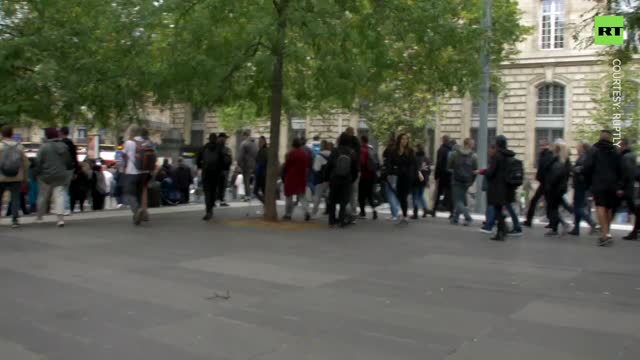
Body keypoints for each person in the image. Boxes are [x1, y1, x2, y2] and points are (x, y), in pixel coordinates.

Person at [583, 130, 622, 246]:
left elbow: (587, 167)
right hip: (612, 184)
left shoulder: (594, 150)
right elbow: (620, 168)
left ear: (600, 137)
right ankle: (607, 232)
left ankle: (604, 236)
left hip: (599, 182)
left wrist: (588, 180)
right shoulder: (615, 151)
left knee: (600, 207)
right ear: (610, 138)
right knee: (609, 208)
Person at [34, 128, 73, 227]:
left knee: (43, 196)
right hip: (60, 175)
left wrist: (36, 173)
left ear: (47, 136)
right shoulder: (64, 146)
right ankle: (60, 219)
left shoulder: (44, 147)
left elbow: (38, 162)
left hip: (45, 176)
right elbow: (69, 162)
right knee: (59, 196)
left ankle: (39, 217)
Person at [481, 135, 516, 241]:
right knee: (499, 209)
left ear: (497, 144)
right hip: (507, 186)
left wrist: (482, 171)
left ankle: (501, 232)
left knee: (497, 210)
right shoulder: (509, 155)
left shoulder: (497, 156)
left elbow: (491, 172)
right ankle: (503, 230)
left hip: (497, 187)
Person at [122, 124, 153, 225]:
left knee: (129, 193)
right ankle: (142, 211)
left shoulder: (129, 143)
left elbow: (123, 155)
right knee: (139, 193)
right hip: (144, 173)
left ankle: (137, 211)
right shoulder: (147, 143)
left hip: (132, 172)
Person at [325, 133, 359, 227]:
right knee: (343, 201)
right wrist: (352, 179)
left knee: (332, 200)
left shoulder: (335, 151)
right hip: (346, 179)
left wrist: (327, 177)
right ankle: (341, 220)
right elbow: (355, 168)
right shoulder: (352, 152)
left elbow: (329, 165)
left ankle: (331, 220)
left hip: (335, 179)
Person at [0, 125, 30, 228]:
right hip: (17, 176)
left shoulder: (0, 146)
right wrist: (25, 177)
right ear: (12, 134)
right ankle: (14, 220)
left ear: (2, 134)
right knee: (15, 198)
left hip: (1, 177)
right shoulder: (19, 146)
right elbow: (26, 163)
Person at [389, 133, 420, 225]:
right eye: (403, 139)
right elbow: (391, 162)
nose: (404, 141)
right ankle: (404, 214)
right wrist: (390, 173)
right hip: (398, 176)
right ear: (399, 140)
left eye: (406, 139)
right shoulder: (394, 151)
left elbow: (414, 164)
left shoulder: (410, 151)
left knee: (403, 196)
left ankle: (405, 216)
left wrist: (415, 174)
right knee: (399, 195)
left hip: (407, 176)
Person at [543, 139, 571, 236]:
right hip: (559, 187)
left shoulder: (557, 159)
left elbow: (552, 172)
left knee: (552, 208)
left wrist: (550, 184)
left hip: (554, 187)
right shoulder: (565, 159)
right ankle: (557, 227)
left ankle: (559, 226)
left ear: (557, 148)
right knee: (553, 207)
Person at [569, 141, 597, 236]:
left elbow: (582, 169)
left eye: (577, 147)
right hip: (580, 185)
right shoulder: (583, 157)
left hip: (580, 185)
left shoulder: (584, 157)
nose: (576, 148)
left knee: (578, 207)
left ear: (582, 148)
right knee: (578, 206)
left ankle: (591, 222)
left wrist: (573, 169)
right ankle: (576, 228)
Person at [448, 138, 478, 226]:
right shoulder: (474, 156)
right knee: (461, 200)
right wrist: (472, 181)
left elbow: (449, 166)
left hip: (456, 180)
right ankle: (455, 219)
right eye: (473, 144)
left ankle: (468, 218)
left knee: (457, 201)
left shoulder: (454, 154)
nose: (474, 145)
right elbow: (475, 170)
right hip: (467, 181)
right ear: (469, 144)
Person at [615, 139, 639, 240]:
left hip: (629, 188)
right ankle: (634, 232)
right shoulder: (633, 155)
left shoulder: (626, 157)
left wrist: (621, 187)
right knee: (636, 210)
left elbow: (627, 174)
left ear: (622, 145)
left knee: (636, 210)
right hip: (631, 187)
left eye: (619, 146)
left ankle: (604, 228)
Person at [282, 138, 311, 221]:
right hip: (301, 176)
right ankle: (306, 211)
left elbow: (287, 166)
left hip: (291, 177)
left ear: (293, 145)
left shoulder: (291, 154)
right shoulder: (304, 154)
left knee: (289, 197)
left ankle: (288, 214)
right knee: (302, 196)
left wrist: (284, 175)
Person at [197, 133, 223, 220]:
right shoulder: (219, 148)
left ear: (209, 139)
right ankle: (211, 207)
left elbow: (198, 160)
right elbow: (222, 161)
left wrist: (201, 167)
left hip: (206, 173)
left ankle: (208, 210)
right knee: (213, 190)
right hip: (215, 173)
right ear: (216, 139)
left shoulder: (204, 147)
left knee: (207, 192)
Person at [431, 135, 453, 218]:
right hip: (450, 175)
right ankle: (452, 212)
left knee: (438, 192)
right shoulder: (452, 149)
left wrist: (436, 175)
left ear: (443, 140)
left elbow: (439, 163)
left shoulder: (441, 150)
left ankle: (434, 210)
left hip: (442, 174)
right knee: (449, 193)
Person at [358, 135, 379, 220]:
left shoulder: (362, 150)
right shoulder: (372, 149)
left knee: (361, 195)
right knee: (370, 195)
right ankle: (374, 211)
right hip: (372, 176)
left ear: (362, 141)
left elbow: (362, 163)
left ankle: (362, 212)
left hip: (364, 176)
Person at [59, 126, 78, 216]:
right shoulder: (71, 143)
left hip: (62, 168)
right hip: (70, 168)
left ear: (61, 133)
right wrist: (76, 170)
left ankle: (65, 208)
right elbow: (75, 157)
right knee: (66, 188)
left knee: (63, 189)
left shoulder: (60, 143)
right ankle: (66, 207)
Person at [381, 136, 400, 221]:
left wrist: (387, 174)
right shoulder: (398, 150)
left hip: (390, 174)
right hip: (397, 174)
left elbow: (387, 162)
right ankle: (395, 212)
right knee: (395, 194)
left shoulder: (389, 150)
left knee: (390, 195)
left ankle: (394, 214)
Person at [344, 127, 361, 221]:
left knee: (347, 192)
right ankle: (353, 212)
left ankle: (347, 212)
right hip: (356, 169)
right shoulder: (357, 142)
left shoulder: (344, 142)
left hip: (346, 170)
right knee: (354, 193)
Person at [312, 140, 331, 216]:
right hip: (330, 179)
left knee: (317, 196)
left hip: (320, 179)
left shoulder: (319, 156)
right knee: (329, 195)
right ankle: (329, 210)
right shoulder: (332, 154)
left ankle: (314, 212)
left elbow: (316, 168)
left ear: (322, 146)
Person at [238, 130, 258, 201]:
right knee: (254, 180)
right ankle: (255, 193)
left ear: (244, 135)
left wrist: (239, 164)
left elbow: (240, 155)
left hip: (246, 165)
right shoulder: (255, 143)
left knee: (246, 181)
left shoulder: (244, 143)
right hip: (255, 165)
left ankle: (248, 196)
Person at [412, 144, 430, 219]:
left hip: (416, 179)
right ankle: (425, 209)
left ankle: (415, 212)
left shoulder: (414, 158)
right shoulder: (426, 159)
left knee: (415, 196)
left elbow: (412, 169)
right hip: (424, 179)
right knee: (421, 195)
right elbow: (429, 170)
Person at [217, 133, 232, 207]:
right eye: (224, 138)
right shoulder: (219, 148)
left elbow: (229, 160)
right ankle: (220, 200)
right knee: (219, 185)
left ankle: (221, 199)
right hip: (220, 170)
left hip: (224, 170)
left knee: (222, 186)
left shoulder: (226, 149)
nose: (225, 139)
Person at [254, 136, 268, 204]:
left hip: (261, 175)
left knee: (256, 191)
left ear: (264, 142)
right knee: (263, 191)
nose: (259, 143)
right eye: (258, 142)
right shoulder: (265, 150)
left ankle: (265, 203)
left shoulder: (262, 151)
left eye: (260, 142)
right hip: (263, 174)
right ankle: (265, 203)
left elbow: (260, 164)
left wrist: (256, 173)